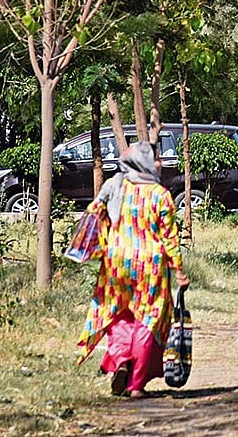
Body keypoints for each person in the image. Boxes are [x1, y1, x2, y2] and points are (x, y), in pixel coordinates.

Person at [77, 140, 190, 399]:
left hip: (116, 263)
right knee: (147, 321)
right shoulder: (160, 195)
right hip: (150, 267)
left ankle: (121, 360)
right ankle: (136, 385)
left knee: (119, 315)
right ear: (145, 162)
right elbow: (170, 238)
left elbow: (94, 216)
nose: (160, 163)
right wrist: (179, 269)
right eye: (156, 158)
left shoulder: (114, 186)